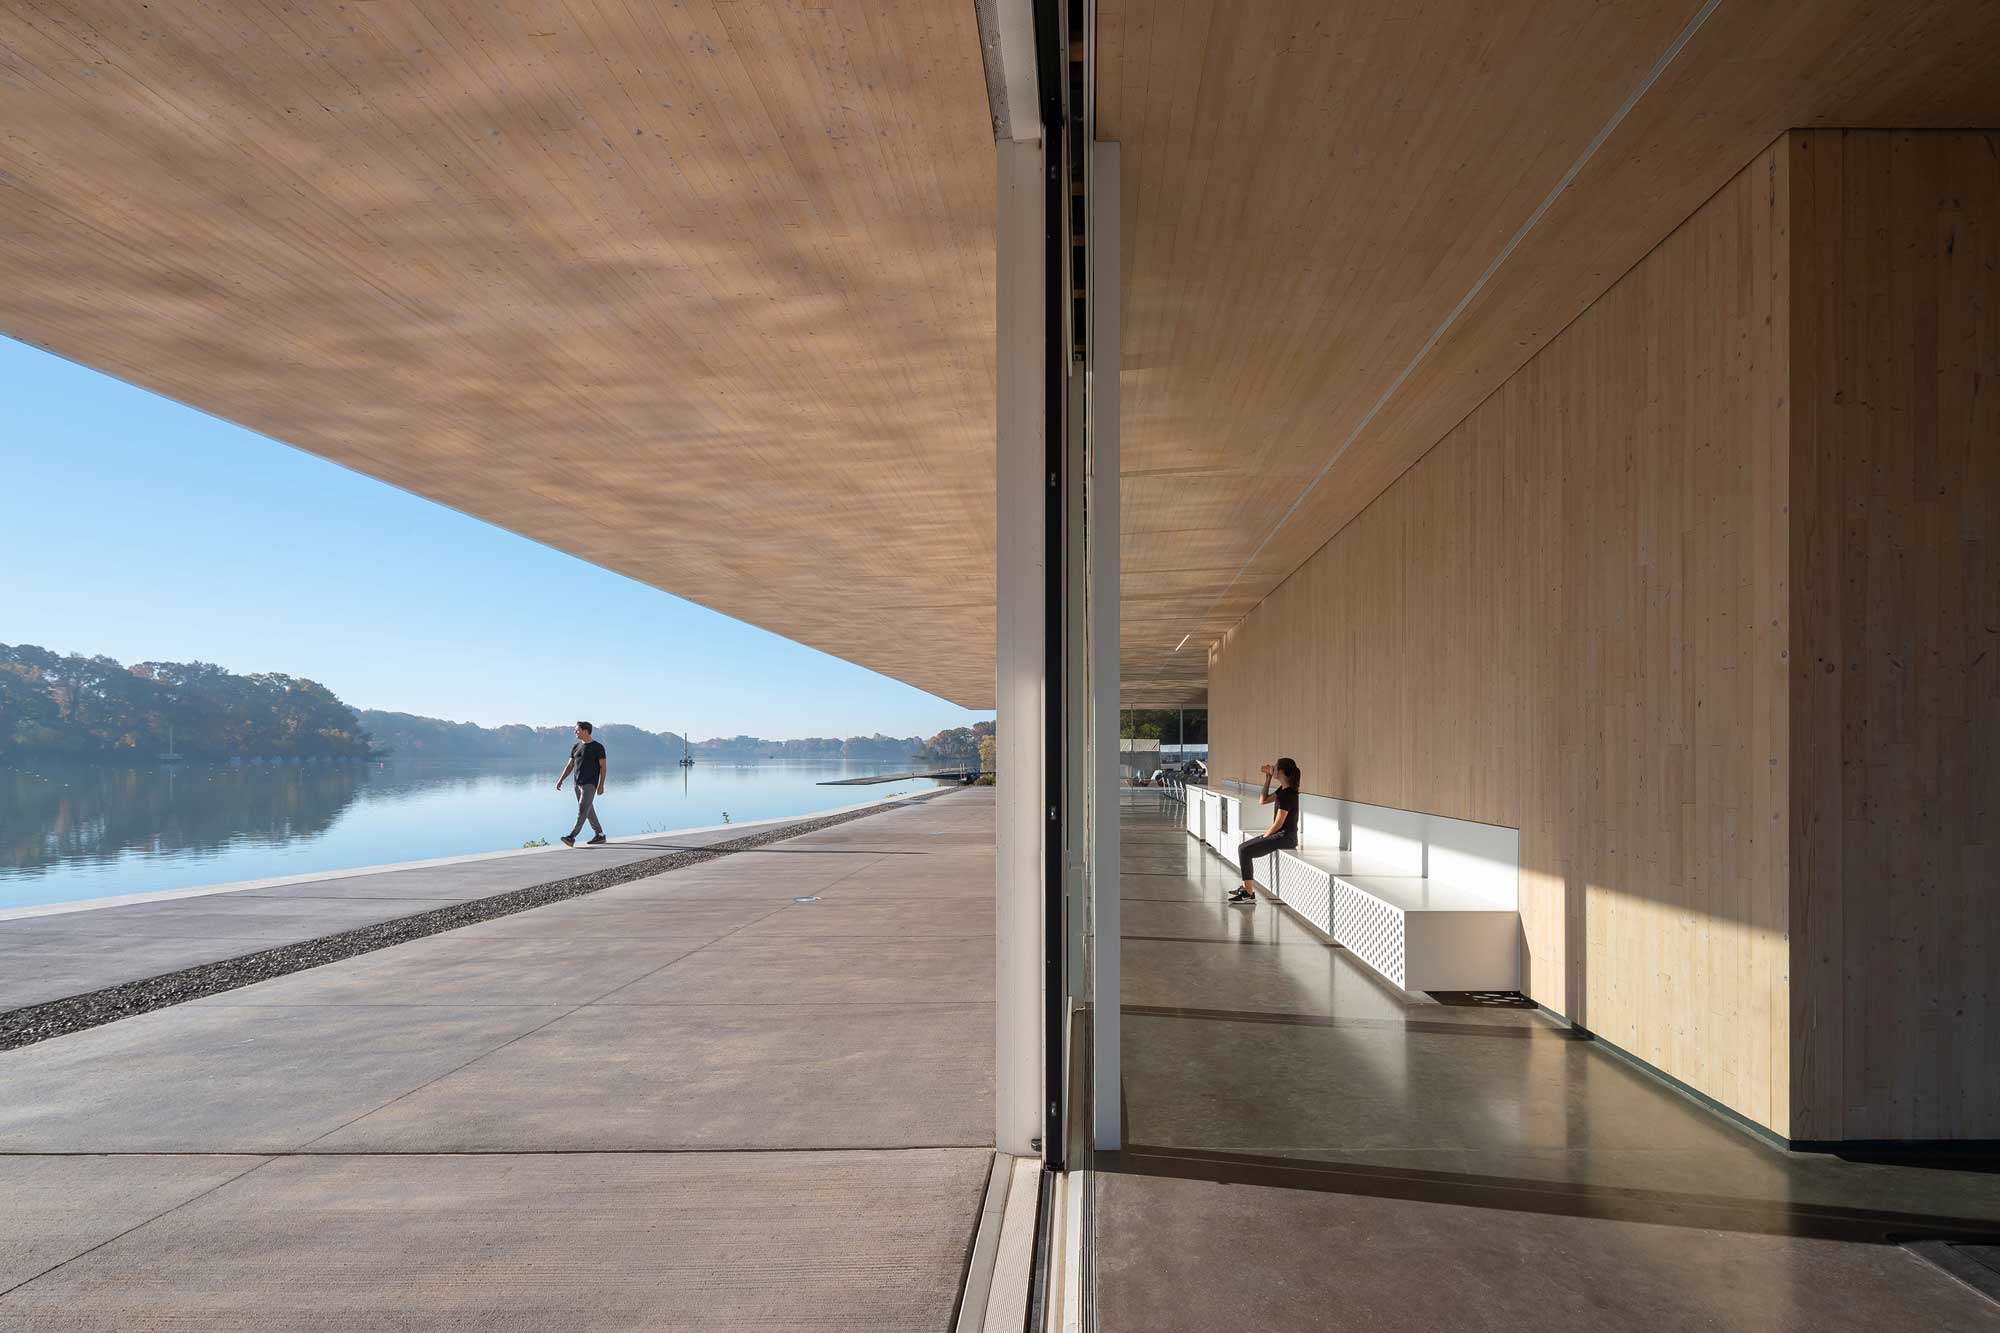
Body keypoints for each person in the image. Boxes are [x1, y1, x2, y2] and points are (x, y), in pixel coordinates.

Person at [1230, 757, 1300, 905]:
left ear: (1280, 771)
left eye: (1274, 767)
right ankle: (1246, 889)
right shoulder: (1283, 790)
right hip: (1280, 835)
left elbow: (1279, 824)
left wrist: (1264, 838)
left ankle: (1248, 893)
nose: (1271, 768)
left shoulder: (1288, 795)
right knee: (1243, 848)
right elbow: (1263, 800)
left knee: (1244, 850)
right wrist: (1267, 778)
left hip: (1285, 837)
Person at [555, 720, 609, 847]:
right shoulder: (576, 747)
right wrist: (561, 780)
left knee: (582, 810)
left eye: (577, 730)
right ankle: (600, 835)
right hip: (577, 784)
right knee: (588, 810)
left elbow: (603, 767)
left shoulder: (598, 747)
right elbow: (569, 766)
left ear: (586, 731)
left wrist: (601, 785)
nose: (575, 732)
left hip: (590, 785)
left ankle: (571, 837)